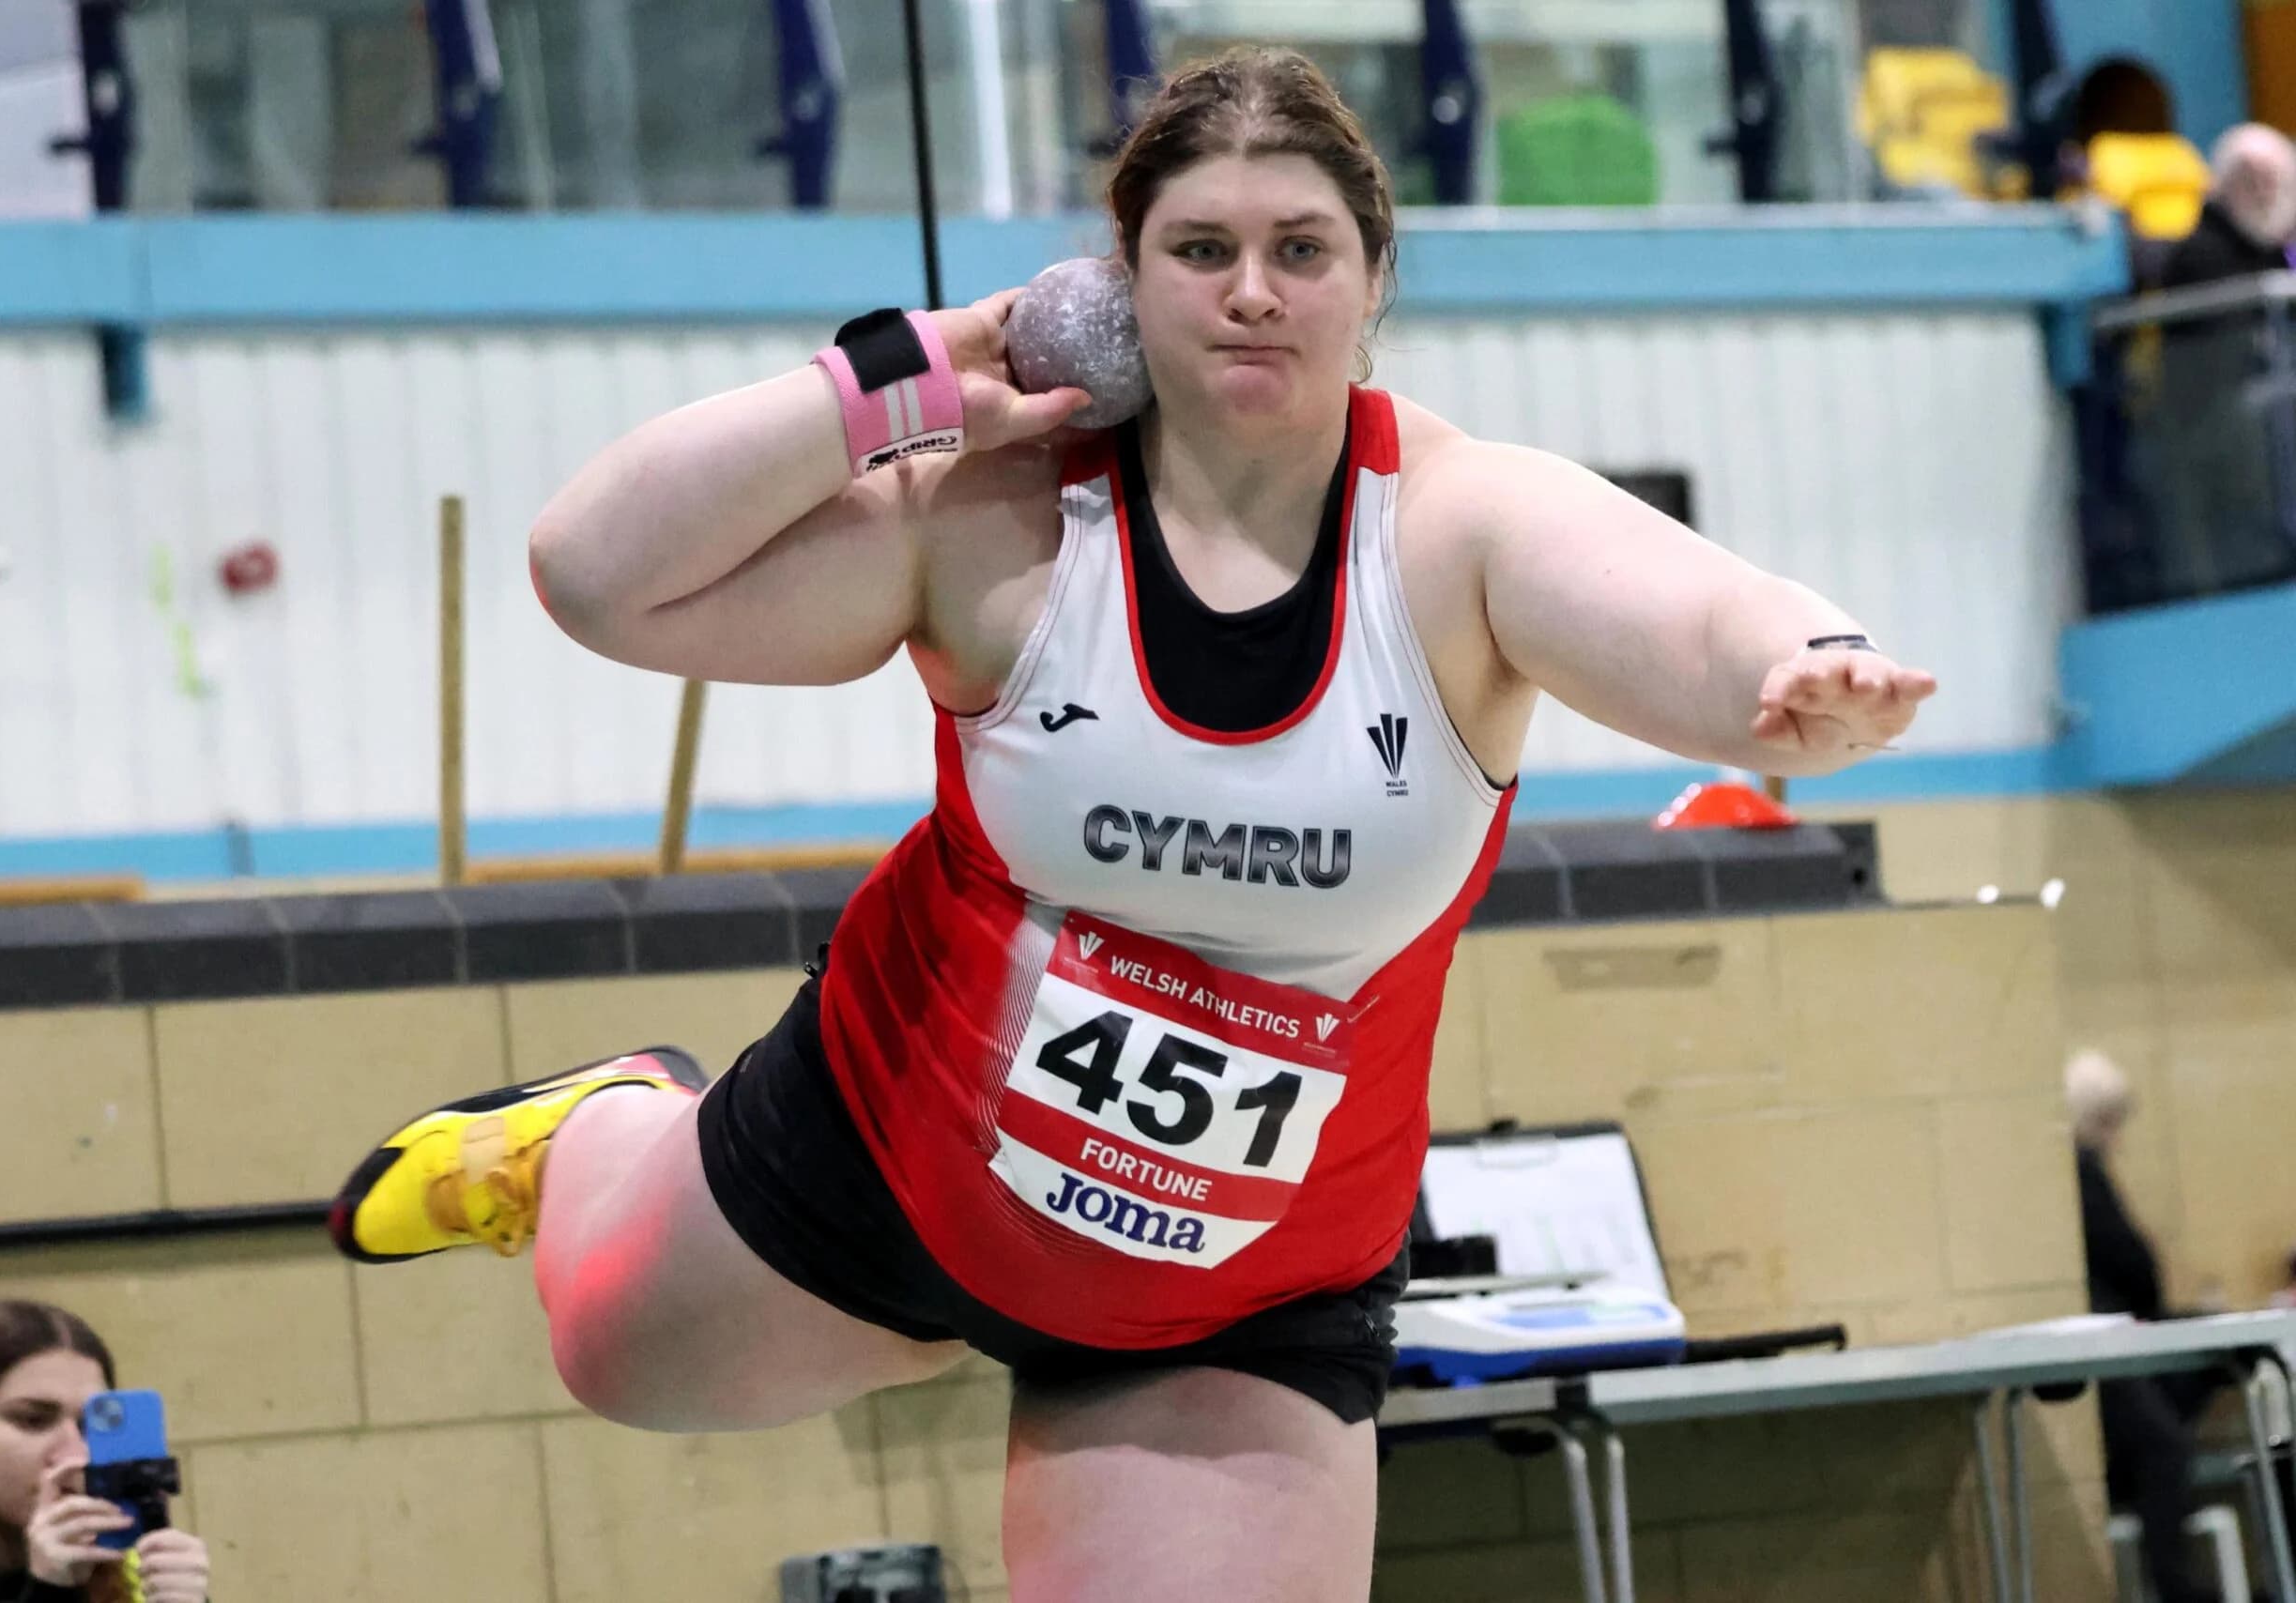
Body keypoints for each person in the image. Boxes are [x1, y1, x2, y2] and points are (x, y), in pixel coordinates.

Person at [329, 46, 1935, 1601]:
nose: (1252, 288)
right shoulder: (997, 516)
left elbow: (1696, 611)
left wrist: (1806, 662)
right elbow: (596, 576)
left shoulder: (1458, 528)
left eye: (1301, 247)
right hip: (889, 1149)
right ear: (1118, 282)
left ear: (1374, 276)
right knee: (617, 1354)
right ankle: (605, 1122)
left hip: (1240, 1295)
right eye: (1200, 249)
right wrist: (923, 367)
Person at [0, 1302, 208, 1603]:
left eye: (90, 1427)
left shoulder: (134, 1565)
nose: (76, 1458)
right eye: (33, 1421)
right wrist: (50, 1592)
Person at [2069, 1049, 2228, 1603]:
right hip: (2109, 1335)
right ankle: (2175, 1585)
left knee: (2210, 1360)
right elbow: (2129, 1257)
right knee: (2166, 1445)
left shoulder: (2076, 1171)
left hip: (2115, 1329)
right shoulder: (2080, 1169)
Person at [2159, 123, 2296, 290]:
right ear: (2224, 185)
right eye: (2250, 183)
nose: (2263, 194)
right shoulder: (2200, 254)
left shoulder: (2269, 243)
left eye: (2272, 182)